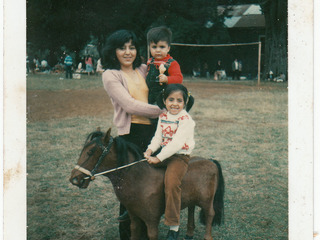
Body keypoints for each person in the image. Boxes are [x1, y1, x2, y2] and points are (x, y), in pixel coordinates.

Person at [101, 29, 164, 240]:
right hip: (131, 136)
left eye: (132, 47)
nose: (128, 52)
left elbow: (163, 84)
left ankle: (151, 227)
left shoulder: (144, 69)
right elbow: (129, 105)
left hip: (154, 131)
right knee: (130, 189)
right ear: (113, 51)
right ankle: (127, 234)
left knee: (156, 181)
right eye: (122, 48)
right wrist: (162, 110)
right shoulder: (110, 75)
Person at [144, 84, 195, 240]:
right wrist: (150, 150)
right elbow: (158, 138)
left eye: (179, 100)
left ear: (185, 103)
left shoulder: (186, 120)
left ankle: (174, 226)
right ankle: (137, 204)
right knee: (142, 170)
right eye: (170, 99)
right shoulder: (163, 117)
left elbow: (176, 143)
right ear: (164, 101)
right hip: (164, 154)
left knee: (172, 183)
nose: (175, 103)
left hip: (179, 157)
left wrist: (158, 158)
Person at [146, 26, 183, 105]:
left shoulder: (171, 63)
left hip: (164, 98)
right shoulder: (150, 62)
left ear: (168, 48)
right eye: (154, 47)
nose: (158, 50)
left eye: (162, 47)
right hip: (149, 96)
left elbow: (179, 79)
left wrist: (167, 79)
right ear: (149, 48)